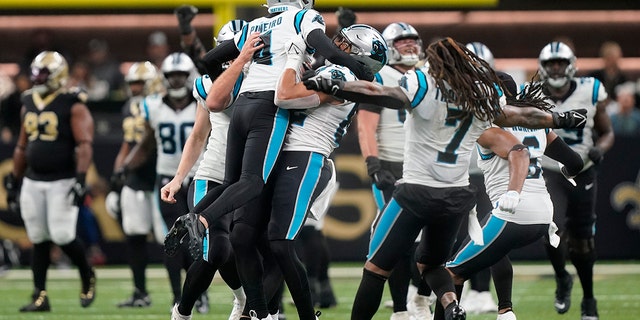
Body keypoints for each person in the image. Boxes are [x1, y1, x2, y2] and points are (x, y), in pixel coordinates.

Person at [302, 37, 589, 320]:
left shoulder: (422, 83)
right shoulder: (480, 96)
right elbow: (518, 116)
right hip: (456, 197)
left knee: (376, 269)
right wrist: (558, 119)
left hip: (416, 191)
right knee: (432, 265)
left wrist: (339, 85)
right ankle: (451, 304)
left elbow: (385, 95)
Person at [165, 0, 375, 275]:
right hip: (276, 125)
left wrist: (239, 64)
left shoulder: (254, 31)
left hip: (247, 122)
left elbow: (208, 62)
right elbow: (310, 73)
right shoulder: (301, 21)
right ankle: (200, 223)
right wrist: (359, 71)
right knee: (262, 209)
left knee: (251, 214)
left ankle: (197, 224)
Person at [445, 75, 585, 320]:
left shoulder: (486, 124)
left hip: (513, 209)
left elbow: (514, 152)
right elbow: (575, 161)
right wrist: (567, 171)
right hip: (543, 214)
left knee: (449, 275)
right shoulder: (538, 124)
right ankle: (505, 311)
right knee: (495, 248)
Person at [163, 19, 252, 320]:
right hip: (212, 175)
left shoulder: (265, 78)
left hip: (248, 178)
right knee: (213, 250)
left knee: (248, 247)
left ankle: (252, 304)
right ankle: (183, 312)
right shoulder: (208, 83)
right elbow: (199, 135)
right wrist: (178, 177)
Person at [5, 51, 96, 312]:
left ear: (58, 75)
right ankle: (39, 295)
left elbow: (85, 144)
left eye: (43, 75)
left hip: (62, 179)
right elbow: (23, 146)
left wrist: (80, 179)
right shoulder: (27, 100)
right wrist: (14, 179)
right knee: (38, 237)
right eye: (36, 74)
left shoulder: (73, 102)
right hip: (34, 180)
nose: (38, 79)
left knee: (62, 235)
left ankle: (87, 273)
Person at [356, 22, 432, 320]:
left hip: (424, 166)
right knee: (397, 239)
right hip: (390, 164)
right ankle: (401, 309)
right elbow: (366, 124)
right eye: (402, 42)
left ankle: (421, 298)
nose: (410, 45)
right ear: (388, 47)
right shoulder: (379, 76)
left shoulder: (427, 75)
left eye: (413, 40)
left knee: (430, 241)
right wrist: (372, 162)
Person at [538, 41, 614, 320]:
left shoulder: (591, 90)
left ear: (570, 65)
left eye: (560, 63)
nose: (556, 68)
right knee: (552, 228)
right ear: (542, 67)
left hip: (583, 170)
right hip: (550, 170)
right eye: (551, 64)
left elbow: (607, 132)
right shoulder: (531, 93)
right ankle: (561, 277)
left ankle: (589, 299)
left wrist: (600, 148)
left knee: (583, 240)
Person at [122, 52, 201, 309]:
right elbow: (145, 143)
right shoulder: (152, 105)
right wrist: (126, 166)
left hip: (199, 176)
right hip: (168, 178)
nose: (176, 81)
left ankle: (198, 294)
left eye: (181, 76)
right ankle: (179, 298)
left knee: (196, 239)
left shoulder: (203, 100)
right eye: (171, 76)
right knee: (173, 239)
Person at [105, 61, 162, 308]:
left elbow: (149, 145)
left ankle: (193, 293)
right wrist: (118, 178)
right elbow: (128, 144)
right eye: (133, 83)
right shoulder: (130, 107)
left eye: (140, 83)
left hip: (163, 177)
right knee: (135, 236)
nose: (136, 88)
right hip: (137, 180)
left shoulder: (163, 104)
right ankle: (140, 292)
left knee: (173, 238)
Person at [457, 41, 499, 316]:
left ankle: (482, 291)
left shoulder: (494, 94)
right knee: (463, 232)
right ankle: (474, 289)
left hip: (485, 170)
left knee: (482, 231)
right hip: (460, 170)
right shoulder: (454, 90)